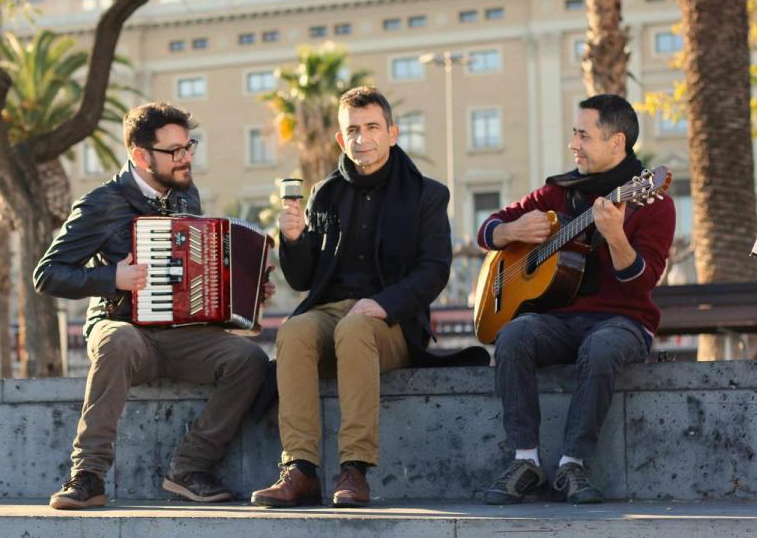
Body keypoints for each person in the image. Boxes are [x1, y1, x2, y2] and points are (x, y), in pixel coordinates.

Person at [251, 86, 486, 509]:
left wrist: (386, 304)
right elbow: (304, 278)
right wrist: (293, 239)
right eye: (353, 130)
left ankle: (354, 469)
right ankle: (300, 469)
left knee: (357, 326)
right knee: (294, 332)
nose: (363, 138)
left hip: (390, 324)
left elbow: (435, 270)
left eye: (372, 127)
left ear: (392, 133)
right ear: (341, 139)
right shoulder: (325, 193)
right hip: (330, 313)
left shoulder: (426, 194)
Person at [34, 102, 271, 510]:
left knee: (249, 359)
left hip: (181, 336)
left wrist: (239, 292)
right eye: (174, 151)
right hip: (121, 326)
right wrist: (111, 278)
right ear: (141, 156)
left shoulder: (186, 196)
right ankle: (87, 476)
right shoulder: (101, 204)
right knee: (118, 341)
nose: (186, 158)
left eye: (188, 147)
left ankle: (189, 469)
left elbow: (190, 275)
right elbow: (48, 274)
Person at [478, 94, 675, 505]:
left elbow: (641, 284)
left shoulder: (652, 202)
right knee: (514, 336)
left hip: (622, 321)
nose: (574, 144)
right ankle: (525, 461)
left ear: (617, 142)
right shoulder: (557, 193)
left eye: (583, 135)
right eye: (574, 133)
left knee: (601, 346)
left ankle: (573, 464)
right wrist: (511, 232)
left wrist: (617, 236)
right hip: (559, 323)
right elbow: (487, 230)